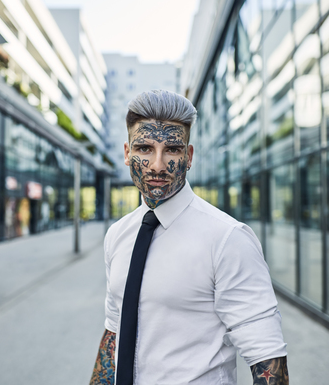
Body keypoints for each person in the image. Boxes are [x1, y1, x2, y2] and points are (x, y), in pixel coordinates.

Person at [90, 90, 289, 385]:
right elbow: (113, 334)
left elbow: (267, 358)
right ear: (127, 153)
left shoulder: (228, 239)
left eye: (171, 149)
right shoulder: (117, 235)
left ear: (189, 156)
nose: (157, 165)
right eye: (144, 148)